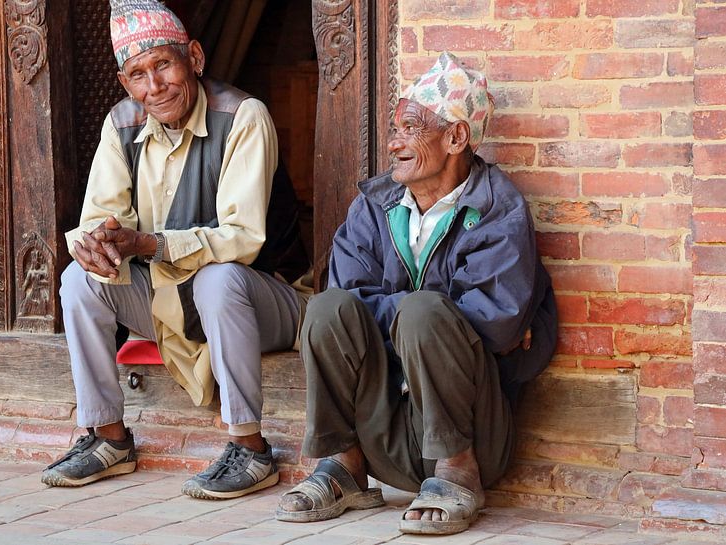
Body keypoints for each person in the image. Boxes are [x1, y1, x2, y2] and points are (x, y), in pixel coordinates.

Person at [275, 52, 557, 535]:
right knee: (326, 309)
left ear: (456, 137)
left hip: (469, 431)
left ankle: (456, 474)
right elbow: (346, 298)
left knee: (425, 311)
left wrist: (413, 314)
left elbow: (498, 322)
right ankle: (343, 466)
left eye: (410, 128)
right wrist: (412, 314)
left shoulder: (495, 206)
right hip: (383, 423)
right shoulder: (376, 204)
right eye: (395, 128)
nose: (394, 142)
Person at [42, 0, 310, 500]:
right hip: (170, 300)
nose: (155, 86)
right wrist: (95, 242)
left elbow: (244, 239)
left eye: (164, 65)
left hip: (265, 300)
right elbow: (100, 216)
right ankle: (109, 438)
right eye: (138, 75)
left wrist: (150, 244)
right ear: (126, 84)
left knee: (219, 276)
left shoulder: (243, 116)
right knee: (79, 279)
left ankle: (250, 449)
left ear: (195, 57)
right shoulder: (122, 123)